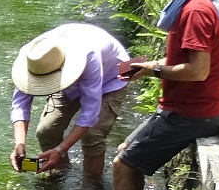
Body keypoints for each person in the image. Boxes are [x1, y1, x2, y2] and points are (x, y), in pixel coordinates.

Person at [112, 0, 219, 190]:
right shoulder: (191, 2)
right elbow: (188, 62)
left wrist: (155, 68)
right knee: (125, 150)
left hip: (192, 113)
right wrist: (150, 66)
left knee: (123, 164)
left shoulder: (194, 11)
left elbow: (198, 70)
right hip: (190, 108)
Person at [10, 23, 132, 180]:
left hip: (111, 78)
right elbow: (20, 105)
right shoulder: (33, 58)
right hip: (66, 82)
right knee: (46, 131)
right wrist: (19, 144)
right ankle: (62, 174)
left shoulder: (88, 55)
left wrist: (61, 150)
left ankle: (91, 188)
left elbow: (90, 113)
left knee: (92, 135)